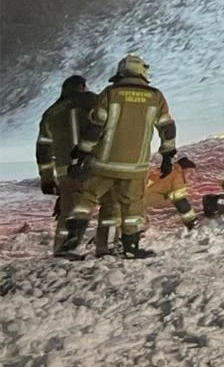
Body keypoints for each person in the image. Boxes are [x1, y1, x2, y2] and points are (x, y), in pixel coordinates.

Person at [57, 53, 177, 260]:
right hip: (136, 167)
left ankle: (74, 238)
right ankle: (131, 248)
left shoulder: (110, 94)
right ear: (142, 72)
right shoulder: (156, 97)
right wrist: (167, 157)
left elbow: (95, 128)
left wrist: (82, 153)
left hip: (103, 164)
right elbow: (167, 128)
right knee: (133, 207)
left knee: (86, 197)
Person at [36, 75, 98, 255]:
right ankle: (107, 243)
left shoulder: (50, 113)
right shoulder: (95, 100)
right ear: (82, 86)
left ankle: (62, 248)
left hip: (66, 171)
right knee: (111, 202)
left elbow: (43, 149)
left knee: (68, 210)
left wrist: (47, 178)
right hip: (95, 164)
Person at [145, 147, 200, 232]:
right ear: (183, 169)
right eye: (190, 172)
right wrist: (191, 220)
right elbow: (181, 202)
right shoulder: (177, 177)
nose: (191, 176)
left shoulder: (170, 169)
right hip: (141, 197)